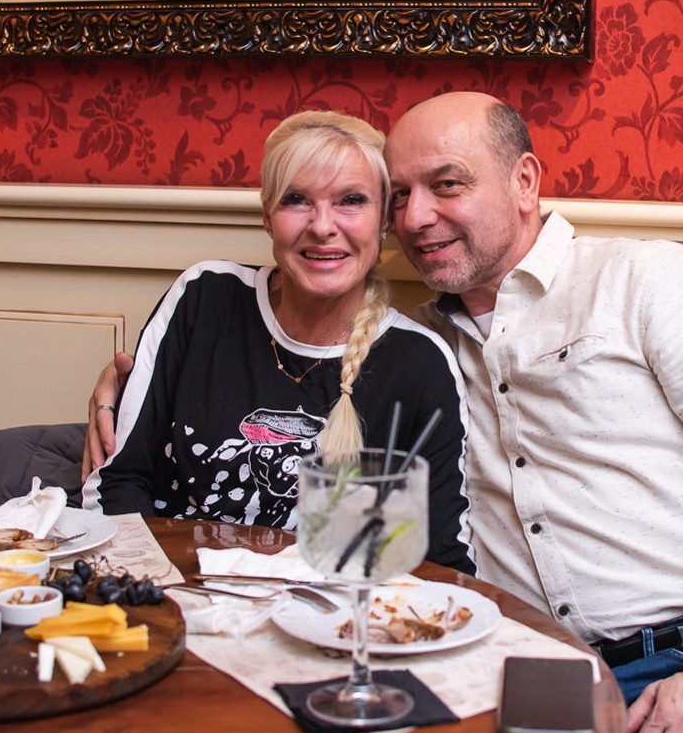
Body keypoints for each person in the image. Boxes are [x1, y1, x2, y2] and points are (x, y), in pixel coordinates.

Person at [86, 93, 683, 733]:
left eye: (446, 185)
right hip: (510, 665)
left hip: (681, 665)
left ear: (524, 182)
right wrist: (129, 397)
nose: (416, 217)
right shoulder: (417, 348)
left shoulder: (637, 281)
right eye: (402, 195)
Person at [81, 110, 473, 575]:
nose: (322, 226)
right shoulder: (203, 298)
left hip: (324, 611)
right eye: (296, 200)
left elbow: (439, 560)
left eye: (351, 200)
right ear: (267, 216)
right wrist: (157, 591)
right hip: (169, 589)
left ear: (384, 219)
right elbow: (120, 481)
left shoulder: (420, 363)